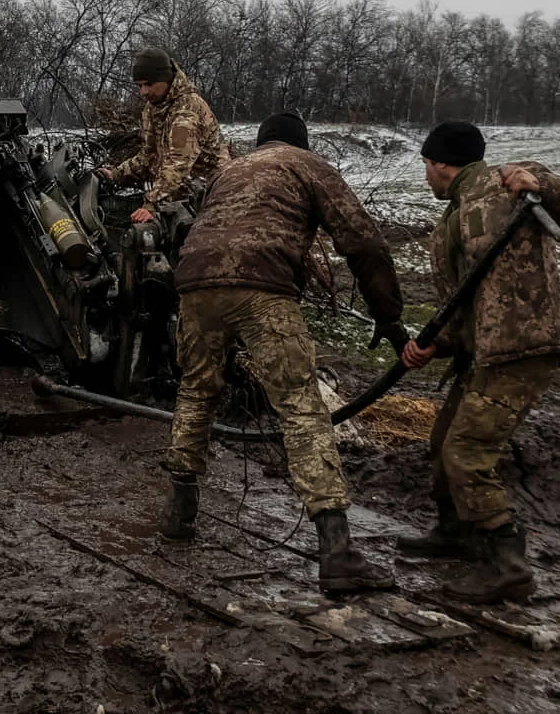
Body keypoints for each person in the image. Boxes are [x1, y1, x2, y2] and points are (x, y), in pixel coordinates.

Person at [162, 111, 409, 594]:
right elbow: (362, 241)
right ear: (303, 142)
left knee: (195, 391)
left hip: (194, 283)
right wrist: (388, 316)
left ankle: (179, 514)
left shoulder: (227, 171)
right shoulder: (308, 165)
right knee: (300, 406)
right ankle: (337, 552)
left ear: (259, 142)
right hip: (263, 288)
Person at [398, 121, 560, 604]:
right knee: (444, 440)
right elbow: (463, 301)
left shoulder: (510, 182)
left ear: (441, 163)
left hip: (521, 348)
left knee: (467, 453)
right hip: (480, 352)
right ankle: (455, 533)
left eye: (426, 165)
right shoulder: (452, 217)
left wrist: (544, 186)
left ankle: (507, 566)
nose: (425, 175)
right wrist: (434, 344)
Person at [96, 47, 230, 224]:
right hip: (179, 194)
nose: (143, 92)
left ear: (165, 79)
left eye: (148, 84)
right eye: (139, 86)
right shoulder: (154, 108)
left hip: (210, 196)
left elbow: (178, 165)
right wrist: (116, 175)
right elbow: (148, 156)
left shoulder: (187, 111)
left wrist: (152, 204)